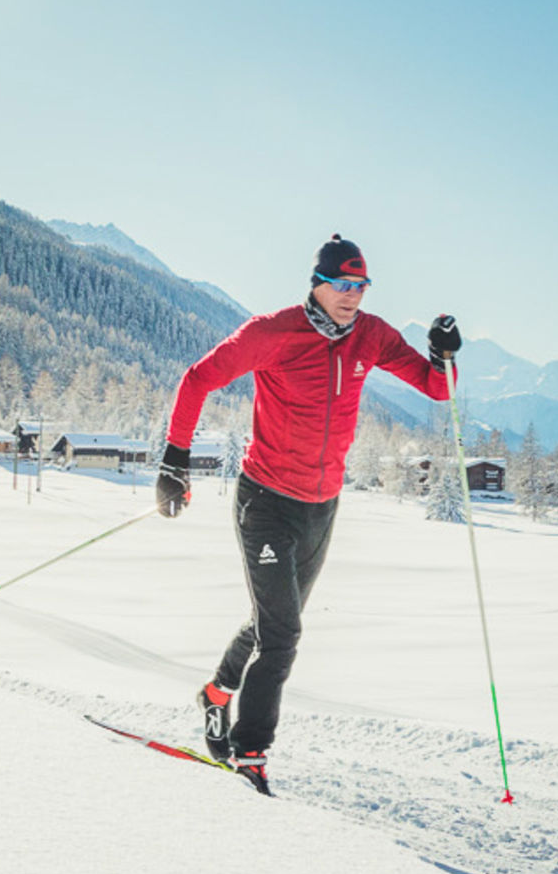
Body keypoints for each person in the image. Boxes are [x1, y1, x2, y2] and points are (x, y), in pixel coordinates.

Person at [155, 234, 460, 792]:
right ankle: (251, 754)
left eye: (361, 286)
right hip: (266, 500)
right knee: (283, 636)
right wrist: (175, 459)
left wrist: (444, 356)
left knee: (275, 621)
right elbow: (198, 378)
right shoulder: (272, 333)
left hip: (322, 505)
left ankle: (217, 692)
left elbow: (437, 390)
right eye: (341, 284)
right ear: (316, 284)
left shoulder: (372, 336)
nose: (352, 296)